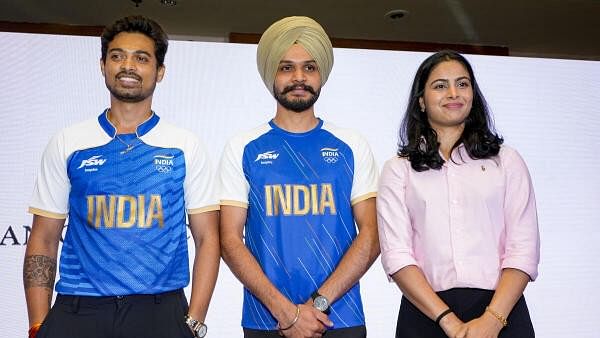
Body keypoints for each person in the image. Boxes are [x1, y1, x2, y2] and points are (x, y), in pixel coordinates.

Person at [23, 15, 220, 338]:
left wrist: (194, 323)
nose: (128, 66)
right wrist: (38, 326)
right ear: (103, 66)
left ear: (160, 72)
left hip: (160, 312)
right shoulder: (69, 141)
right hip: (78, 310)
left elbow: (207, 239)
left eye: (141, 58)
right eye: (117, 56)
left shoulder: (184, 145)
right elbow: (43, 238)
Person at [218, 16, 380, 338]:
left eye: (309, 68)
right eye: (286, 67)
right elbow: (230, 240)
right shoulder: (243, 147)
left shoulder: (351, 145)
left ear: (321, 74)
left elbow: (372, 235)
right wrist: (285, 312)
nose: (298, 78)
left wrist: (316, 306)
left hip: (339, 319)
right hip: (266, 320)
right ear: (271, 75)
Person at [377, 50, 540, 338]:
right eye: (440, 86)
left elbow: (523, 250)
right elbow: (397, 256)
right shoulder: (398, 170)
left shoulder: (507, 161)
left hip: (502, 312)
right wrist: (449, 323)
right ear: (421, 102)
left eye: (463, 84)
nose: (454, 93)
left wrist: (491, 321)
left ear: (473, 95)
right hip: (426, 314)